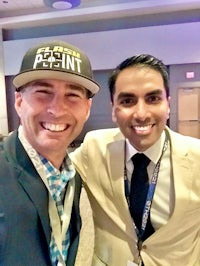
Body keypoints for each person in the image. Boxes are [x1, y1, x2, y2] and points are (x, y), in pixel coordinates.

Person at [70, 54, 200, 266]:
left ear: (168, 104)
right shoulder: (95, 147)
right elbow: (52, 171)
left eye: (153, 99)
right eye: (128, 101)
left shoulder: (196, 158)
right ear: (113, 108)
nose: (141, 113)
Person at [0, 40, 99, 266]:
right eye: (43, 92)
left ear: (87, 108)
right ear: (18, 101)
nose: (56, 109)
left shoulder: (75, 177)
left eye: (72, 95)